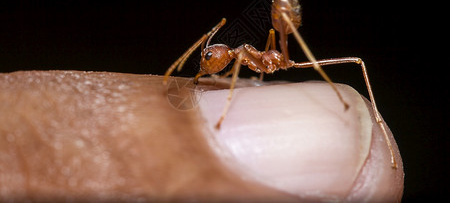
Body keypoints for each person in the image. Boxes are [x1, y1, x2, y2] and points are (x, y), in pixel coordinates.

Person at [0, 71, 404, 202]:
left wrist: (227, 109)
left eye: (211, 62)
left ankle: (363, 114)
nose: (209, 65)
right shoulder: (238, 55)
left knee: (354, 62)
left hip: (287, 34)